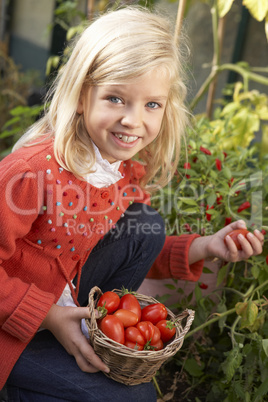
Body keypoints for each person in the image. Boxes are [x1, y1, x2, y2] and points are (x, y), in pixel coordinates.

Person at [0, 6, 263, 402]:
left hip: (60, 301)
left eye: (151, 105)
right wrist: (50, 316)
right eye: (116, 98)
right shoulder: (30, 174)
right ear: (82, 95)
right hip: (11, 327)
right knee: (132, 398)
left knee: (145, 223)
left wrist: (205, 246)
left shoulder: (119, 172)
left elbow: (136, 244)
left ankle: (69, 352)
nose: (133, 121)